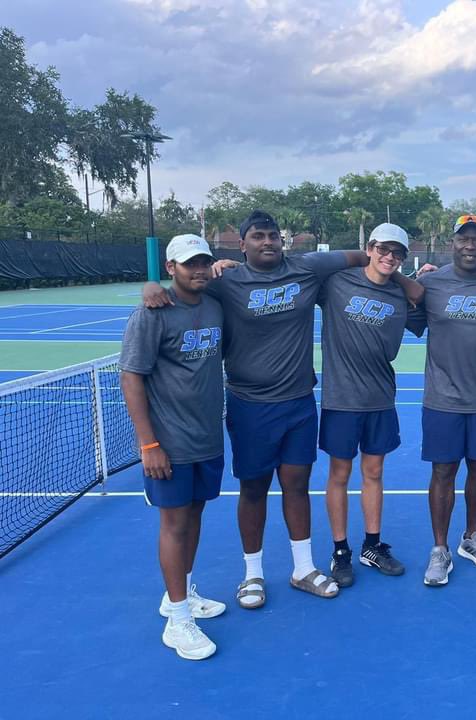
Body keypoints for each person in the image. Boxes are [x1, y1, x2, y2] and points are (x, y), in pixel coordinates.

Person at [143, 210, 422, 609]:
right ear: (242, 245)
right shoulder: (227, 280)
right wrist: (151, 283)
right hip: (249, 404)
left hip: (299, 404)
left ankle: (303, 568)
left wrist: (404, 278)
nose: (268, 241)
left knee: (296, 485)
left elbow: (363, 257)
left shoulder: (307, 268)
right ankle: (252, 574)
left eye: (273, 235)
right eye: (258, 236)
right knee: (253, 490)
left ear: (283, 240)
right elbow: (187, 285)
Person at [120, 234, 225, 660]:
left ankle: (179, 592)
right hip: (169, 443)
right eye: (188, 264)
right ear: (171, 268)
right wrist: (149, 443)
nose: (197, 270)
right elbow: (131, 377)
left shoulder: (215, 305)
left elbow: (230, 275)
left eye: (204, 263)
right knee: (174, 524)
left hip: (207, 438)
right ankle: (178, 620)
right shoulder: (151, 314)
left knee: (195, 514)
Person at [407, 214, 476, 586]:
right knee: (442, 472)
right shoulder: (431, 285)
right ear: (452, 243)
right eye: (463, 239)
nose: (470, 245)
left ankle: (472, 537)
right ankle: (440, 549)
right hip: (443, 398)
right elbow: (401, 313)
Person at [320, 223, 412, 587]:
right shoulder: (335, 283)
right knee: (339, 475)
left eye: (398, 253)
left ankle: (372, 546)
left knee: (374, 474)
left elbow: (424, 296)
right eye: (384, 249)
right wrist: (228, 266)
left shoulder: (401, 296)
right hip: (341, 399)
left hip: (379, 399)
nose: (389, 257)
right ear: (370, 248)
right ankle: (340, 550)